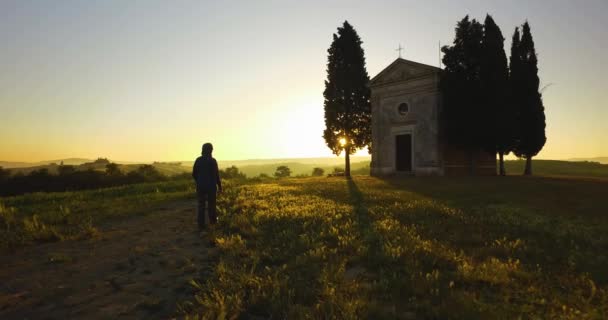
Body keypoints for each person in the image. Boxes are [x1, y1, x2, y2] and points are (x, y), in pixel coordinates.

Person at [192, 143, 222, 231]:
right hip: (211, 187)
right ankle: (213, 222)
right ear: (210, 150)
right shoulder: (213, 161)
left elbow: (194, 174)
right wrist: (220, 186)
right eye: (212, 149)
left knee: (201, 205)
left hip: (200, 186)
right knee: (212, 205)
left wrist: (199, 181)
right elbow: (217, 175)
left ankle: (201, 225)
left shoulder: (198, 160)